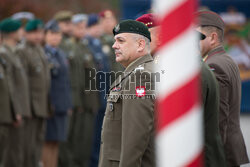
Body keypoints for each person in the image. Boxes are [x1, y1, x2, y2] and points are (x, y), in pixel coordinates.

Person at [195, 10, 249, 167]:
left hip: (220, 154)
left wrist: (212, 158)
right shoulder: (225, 59)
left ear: (212, 38)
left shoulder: (214, 65)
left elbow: (219, 118)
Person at [98, 20, 155, 167]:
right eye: (115, 41)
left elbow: (135, 135)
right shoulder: (135, 72)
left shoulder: (140, 76)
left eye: (120, 41)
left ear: (140, 44)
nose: (114, 46)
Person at [16, 19, 50, 167]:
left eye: (40, 32)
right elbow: (21, 83)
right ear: (26, 33)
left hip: (41, 105)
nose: (38, 36)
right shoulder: (21, 51)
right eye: (34, 32)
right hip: (29, 107)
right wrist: (25, 107)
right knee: (26, 145)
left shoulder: (39, 49)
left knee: (37, 143)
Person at [42, 19, 72, 167]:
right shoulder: (44, 54)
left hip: (61, 104)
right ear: (45, 35)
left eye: (58, 34)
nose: (55, 37)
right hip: (50, 105)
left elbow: (66, 82)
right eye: (52, 34)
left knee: (56, 142)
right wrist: (48, 104)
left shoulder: (60, 53)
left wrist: (68, 104)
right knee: (47, 142)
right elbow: (44, 84)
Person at [0, 18, 30, 167]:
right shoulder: (4, 54)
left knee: (17, 152)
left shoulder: (14, 53)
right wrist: (16, 111)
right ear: (12, 33)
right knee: (10, 154)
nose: (21, 33)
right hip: (10, 113)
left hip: (17, 110)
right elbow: (9, 86)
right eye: (19, 30)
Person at [99, 10, 124, 75]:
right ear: (101, 23)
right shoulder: (98, 40)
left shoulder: (121, 39)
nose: (109, 23)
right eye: (106, 21)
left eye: (111, 20)